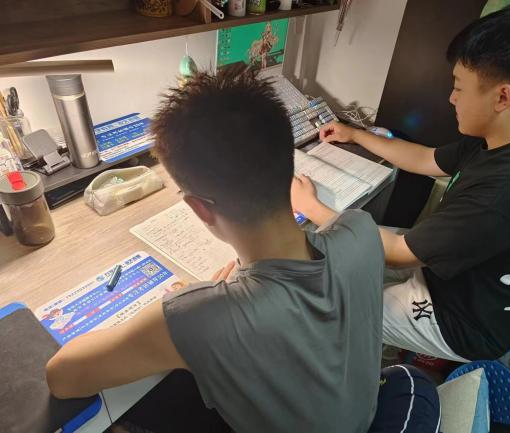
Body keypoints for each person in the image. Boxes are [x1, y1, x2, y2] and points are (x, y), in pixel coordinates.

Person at [45, 67, 386, 433]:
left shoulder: (197, 319)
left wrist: (193, 304)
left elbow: (61, 377)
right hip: (361, 417)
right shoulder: (362, 231)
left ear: (199, 209)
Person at [292, 5, 510, 362]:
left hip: (464, 322)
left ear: (502, 97)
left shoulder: (505, 190)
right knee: (336, 251)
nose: (451, 98)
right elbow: (427, 159)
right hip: (460, 278)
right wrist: (356, 134)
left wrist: (311, 207)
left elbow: (399, 253)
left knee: (325, 307)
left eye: (458, 87)